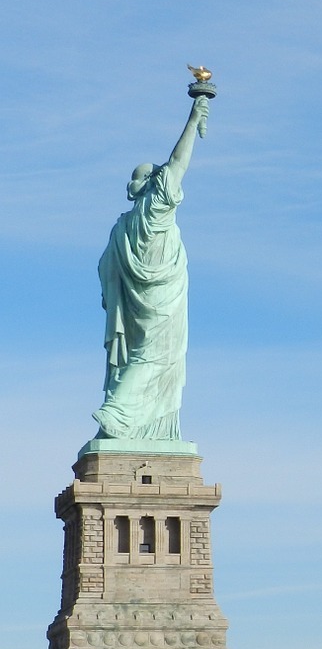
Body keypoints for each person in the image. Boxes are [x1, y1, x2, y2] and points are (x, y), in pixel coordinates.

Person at [93, 94, 210, 440]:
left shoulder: (121, 227)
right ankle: (116, 412)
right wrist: (193, 119)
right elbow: (178, 162)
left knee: (141, 358)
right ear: (150, 185)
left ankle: (148, 426)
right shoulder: (154, 209)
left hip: (133, 306)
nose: (163, 176)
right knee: (154, 359)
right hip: (163, 304)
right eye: (157, 175)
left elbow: (104, 268)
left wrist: (114, 297)